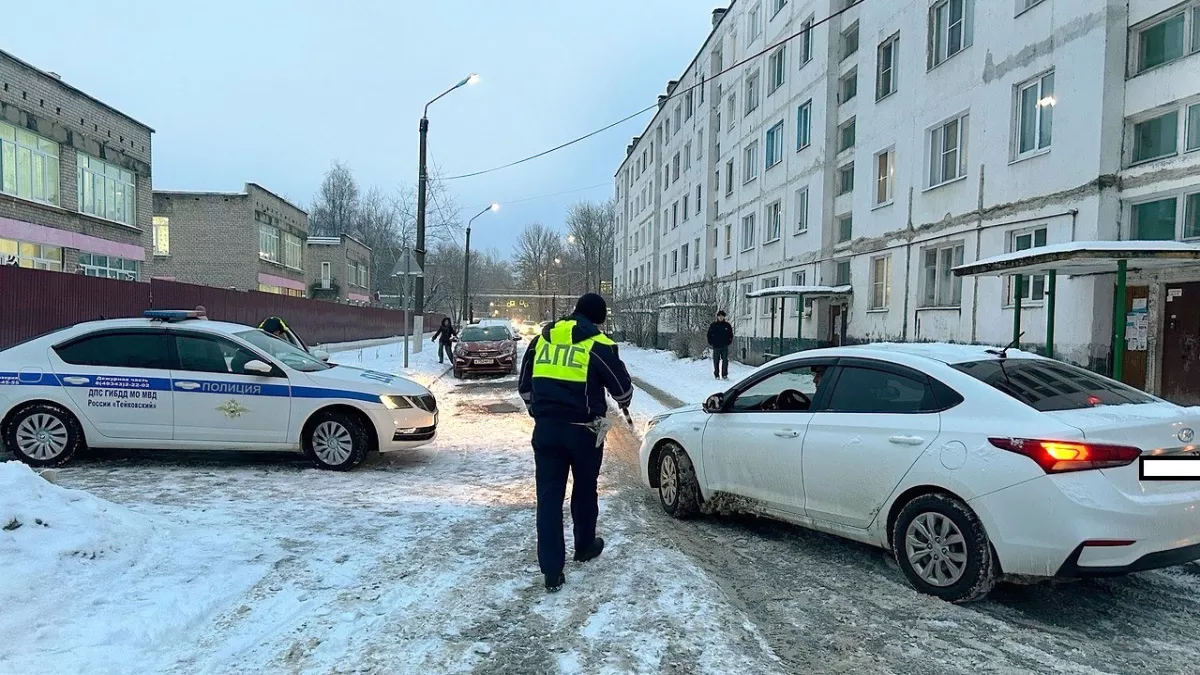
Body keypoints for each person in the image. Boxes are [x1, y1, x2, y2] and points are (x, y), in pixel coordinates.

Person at [518, 293, 633, 593]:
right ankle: (584, 546)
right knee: (584, 489)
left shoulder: (541, 340)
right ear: (598, 318)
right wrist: (622, 402)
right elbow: (622, 390)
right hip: (584, 432)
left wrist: (541, 413)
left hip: (546, 432)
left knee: (548, 498)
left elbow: (525, 388)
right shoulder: (598, 344)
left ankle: (552, 571)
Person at [707, 310, 733, 380]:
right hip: (716, 346)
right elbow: (709, 334)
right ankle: (716, 375)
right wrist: (711, 342)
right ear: (717, 317)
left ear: (724, 317)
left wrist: (729, 342)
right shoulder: (713, 325)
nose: (721, 317)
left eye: (722, 316)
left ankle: (724, 374)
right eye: (719, 316)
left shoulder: (727, 325)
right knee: (716, 361)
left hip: (724, 346)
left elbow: (730, 335)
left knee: (725, 361)